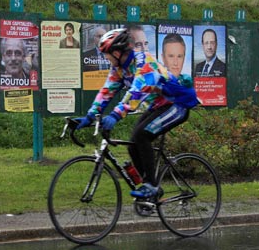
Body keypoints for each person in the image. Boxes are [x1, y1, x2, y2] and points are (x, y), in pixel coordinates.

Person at [76, 28, 198, 199]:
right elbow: (106, 91)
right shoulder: (119, 69)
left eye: (106, 54)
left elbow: (137, 91)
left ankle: (152, 186)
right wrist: (91, 115)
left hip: (177, 104)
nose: (106, 58)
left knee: (141, 136)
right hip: (158, 105)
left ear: (117, 52)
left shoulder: (144, 62)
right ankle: (149, 188)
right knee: (133, 142)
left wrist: (116, 115)